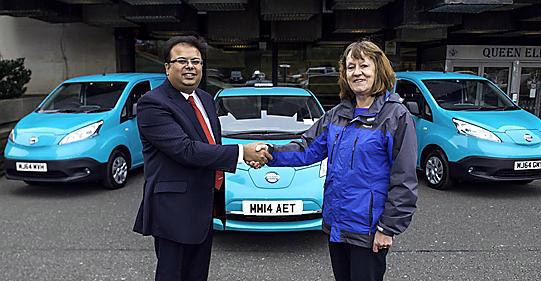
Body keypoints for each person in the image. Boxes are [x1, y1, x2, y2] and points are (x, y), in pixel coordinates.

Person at [260, 41, 418, 281]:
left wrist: (388, 228)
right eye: (351, 66)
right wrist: (269, 153)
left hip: (369, 229)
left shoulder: (395, 116)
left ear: (379, 70)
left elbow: (404, 179)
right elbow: (307, 149)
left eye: (364, 65)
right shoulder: (337, 114)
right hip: (337, 223)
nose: (357, 72)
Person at [132, 35, 271, 281]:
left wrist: (245, 153)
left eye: (196, 61)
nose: (190, 67)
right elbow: (186, 149)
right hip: (173, 209)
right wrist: (241, 153)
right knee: (172, 274)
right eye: (181, 61)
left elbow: (210, 144)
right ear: (167, 67)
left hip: (204, 203)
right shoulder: (152, 104)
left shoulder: (205, 99)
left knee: (197, 273)